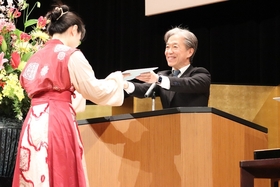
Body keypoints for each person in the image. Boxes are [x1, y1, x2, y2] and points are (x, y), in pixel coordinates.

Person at [12, 5, 127, 187]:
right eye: (79, 38)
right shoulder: (70, 55)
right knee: (60, 171)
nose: (79, 43)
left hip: (33, 121)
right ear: (74, 30)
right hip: (57, 121)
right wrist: (117, 80)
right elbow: (94, 90)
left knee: (34, 171)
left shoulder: (35, 57)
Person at [124, 26, 211, 108]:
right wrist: (125, 84)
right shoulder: (164, 75)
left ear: (189, 52)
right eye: (167, 47)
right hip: (168, 123)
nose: (169, 51)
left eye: (175, 47)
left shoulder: (201, 74)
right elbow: (144, 90)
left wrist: (159, 79)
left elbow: (185, 83)